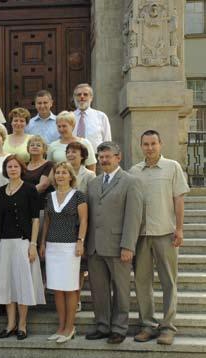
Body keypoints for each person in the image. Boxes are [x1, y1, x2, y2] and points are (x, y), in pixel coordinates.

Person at [130, 130, 190, 345]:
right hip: (141, 236)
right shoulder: (134, 171)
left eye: (153, 143)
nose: (150, 148)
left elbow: (179, 200)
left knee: (168, 282)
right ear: (141, 146)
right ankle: (147, 325)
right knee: (142, 283)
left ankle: (168, 327)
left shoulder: (172, 167)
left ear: (160, 144)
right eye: (145, 144)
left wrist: (180, 229)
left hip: (166, 233)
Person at [86, 142, 143, 344]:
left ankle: (119, 328)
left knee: (121, 289)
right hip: (94, 246)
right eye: (101, 157)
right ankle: (102, 326)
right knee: (98, 290)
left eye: (108, 156)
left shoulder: (130, 182)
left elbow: (133, 217)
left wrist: (128, 245)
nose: (104, 160)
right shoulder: (93, 183)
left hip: (119, 245)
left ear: (118, 158)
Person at [0, 155, 45, 341]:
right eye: (9, 166)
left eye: (16, 166)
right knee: (7, 284)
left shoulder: (30, 190)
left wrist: (33, 244)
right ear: (5, 169)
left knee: (22, 284)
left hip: (23, 243)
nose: (12, 169)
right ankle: (10, 324)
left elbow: (35, 219)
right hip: (3, 244)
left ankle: (22, 325)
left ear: (21, 169)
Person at [40, 162, 87, 343]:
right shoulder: (49, 196)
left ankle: (70, 327)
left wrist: (80, 242)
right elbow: (47, 222)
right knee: (57, 289)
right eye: (57, 172)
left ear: (70, 176)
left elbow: (84, 221)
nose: (60, 175)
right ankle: (61, 327)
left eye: (64, 172)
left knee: (70, 288)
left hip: (70, 247)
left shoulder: (78, 196)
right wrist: (43, 242)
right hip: (53, 247)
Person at [65, 141, 95, 312]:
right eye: (68, 152)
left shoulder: (90, 176)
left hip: (81, 223)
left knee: (79, 265)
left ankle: (76, 299)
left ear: (82, 155)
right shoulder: (62, 172)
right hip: (65, 224)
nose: (70, 154)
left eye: (74, 152)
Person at [22, 135, 54, 232]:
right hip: (25, 208)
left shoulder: (49, 165)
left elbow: (43, 185)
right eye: (32, 145)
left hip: (41, 208)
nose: (35, 147)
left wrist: (22, 195)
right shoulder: (23, 165)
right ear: (28, 149)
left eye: (38, 145)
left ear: (44, 149)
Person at [72, 83, 112, 151]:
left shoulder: (101, 117)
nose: (82, 97)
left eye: (85, 94)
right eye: (79, 95)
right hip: (73, 158)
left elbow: (107, 142)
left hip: (96, 158)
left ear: (91, 97)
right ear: (74, 98)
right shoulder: (69, 117)